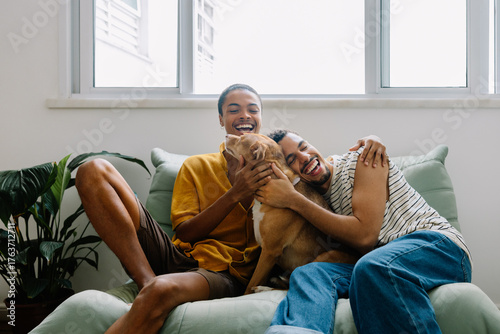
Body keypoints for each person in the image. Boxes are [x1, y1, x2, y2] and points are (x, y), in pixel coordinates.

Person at [74, 84, 387, 334]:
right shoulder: (195, 165)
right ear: (221, 119)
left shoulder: (274, 167)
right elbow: (184, 231)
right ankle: (144, 280)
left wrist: (372, 138)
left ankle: (154, 288)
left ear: (261, 118)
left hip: (223, 272)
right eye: (233, 110)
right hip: (179, 254)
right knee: (93, 170)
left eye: (253, 109)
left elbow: (318, 168)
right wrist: (236, 193)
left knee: (163, 290)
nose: (244, 115)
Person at [257, 129, 472, 334]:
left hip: (439, 247)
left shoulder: (363, 159)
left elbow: (365, 238)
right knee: (308, 273)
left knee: (372, 266)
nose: (304, 157)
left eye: (304, 147)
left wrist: (295, 201)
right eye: (292, 159)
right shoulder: (313, 197)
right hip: (376, 265)